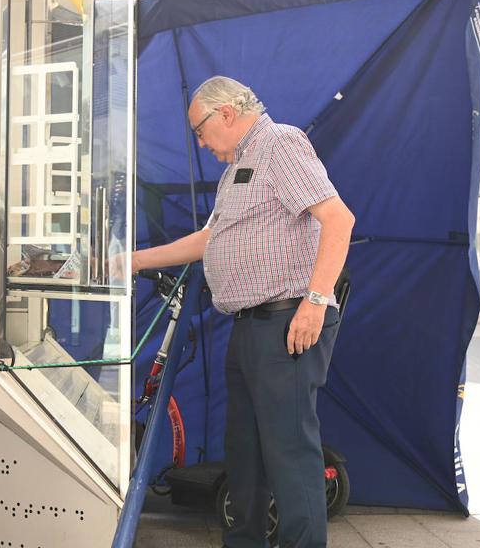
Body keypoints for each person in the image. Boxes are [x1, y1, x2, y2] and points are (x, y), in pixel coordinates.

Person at [131, 77, 354, 548]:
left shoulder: (280, 144)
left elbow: (339, 219)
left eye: (200, 129)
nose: (199, 142)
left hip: (286, 321)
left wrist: (315, 302)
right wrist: (134, 261)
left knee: (289, 452)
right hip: (251, 325)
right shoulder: (237, 167)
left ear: (226, 114)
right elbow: (209, 239)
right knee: (246, 451)